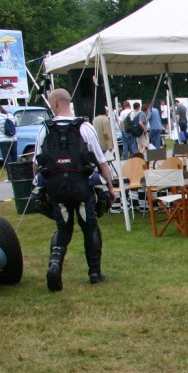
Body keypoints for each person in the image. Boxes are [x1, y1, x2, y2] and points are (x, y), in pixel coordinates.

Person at [30, 88, 116, 291]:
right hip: (82, 187)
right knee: (90, 227)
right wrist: (111, 188)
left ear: (56, 104)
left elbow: (36, 164)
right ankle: (94, 273)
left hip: (56, 189)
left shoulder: (45, 130)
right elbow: (101, 162)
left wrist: (39, 186)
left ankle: (55, 265)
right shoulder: (85, 127)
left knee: (63, 229)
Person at [0, 105, 15, 172]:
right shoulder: (10, 115)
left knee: (7, 159)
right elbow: (16, 124)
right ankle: (17, 175)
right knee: (14, 158)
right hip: (14, 140)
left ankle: (10, 176)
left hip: (3, 140)